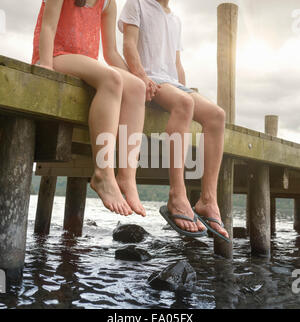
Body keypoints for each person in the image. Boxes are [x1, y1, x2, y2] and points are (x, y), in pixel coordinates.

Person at [118, 0, 229, 240]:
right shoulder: (136, 4)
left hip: (172, 83)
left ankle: (207, 200)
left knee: (217, 115)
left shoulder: (175, 18)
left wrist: (185, 88)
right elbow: (128, 45)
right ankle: (177, 195)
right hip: (148, 79)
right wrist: (141, 77)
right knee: (184, 103)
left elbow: (177, 64)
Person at [32, 0, 147, 217]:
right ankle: (103, 173)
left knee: (136, 88)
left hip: (84, 63)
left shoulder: (107, 3)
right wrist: (46, 68)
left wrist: (138, 77)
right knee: (111, 79)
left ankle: (127, 177)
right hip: (56, 56)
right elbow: (48, 27)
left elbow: (111, 53)